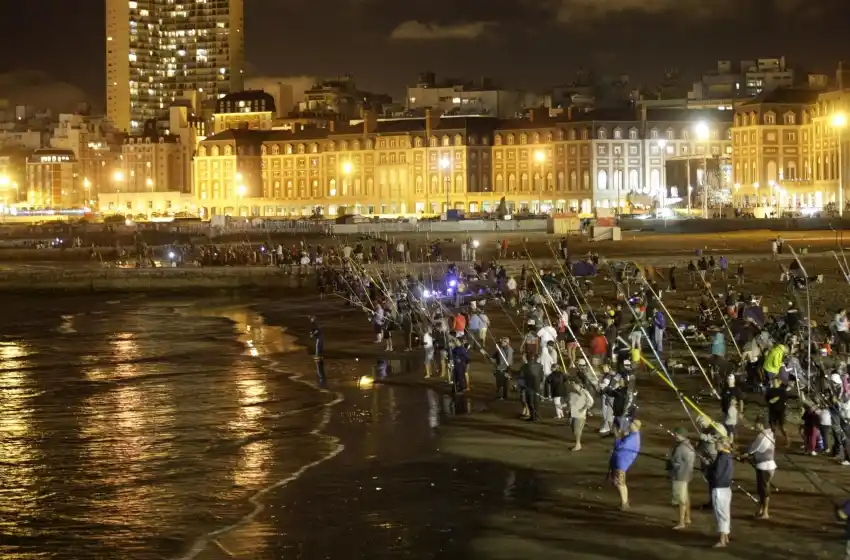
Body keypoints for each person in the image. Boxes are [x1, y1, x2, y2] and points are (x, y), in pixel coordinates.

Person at [741, 418, 777, 520]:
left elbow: (754, 448)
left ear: (761, 424)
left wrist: (745, 454)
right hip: (765, 465)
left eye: (756, 424)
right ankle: (761, 510)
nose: (755, 426)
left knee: (764, 490)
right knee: (761, 490)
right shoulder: (769, 433)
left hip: (765, 466)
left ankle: (765, 512)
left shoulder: (763, 435)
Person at [707, 433, 734, 548]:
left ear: (723, 445)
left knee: (721, 514)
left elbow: (717, 474)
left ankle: (722, 541)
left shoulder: (722, 457)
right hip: (726, 488)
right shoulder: (727, 456)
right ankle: (726, 537)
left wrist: (709, 470)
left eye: (717, 444)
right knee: (725, 513)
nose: (715, 446)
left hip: (720, 489)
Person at [667, 426, 696, 530]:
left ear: (681, 435)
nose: (675, 436)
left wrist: (670, 461)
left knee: (681, 500)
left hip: (679, 476)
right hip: (687, 475)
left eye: (676, 434)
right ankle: (687, 518)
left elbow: (676, 463)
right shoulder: (689, 447)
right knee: (686, 498)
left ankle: (681, 522)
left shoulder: (680, 448)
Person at [609, 420, 642, 510]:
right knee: (620, 482)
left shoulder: (631, 439)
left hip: (622, 462)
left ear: (635, 426)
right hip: (623, 460)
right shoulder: (634, 436)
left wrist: (617, 437)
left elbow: (620, 446)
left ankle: (625, 503)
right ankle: (624, 502)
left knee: (620, 483)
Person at [568, 380, 594, 450]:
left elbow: (591, 401)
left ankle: (578, 445)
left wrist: (584, 408)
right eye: (572, 384)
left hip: (580, 414)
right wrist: (563, 406)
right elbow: (569, 403)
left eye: (574, 384)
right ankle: (578, 441)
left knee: (577, 430)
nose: (573, 386)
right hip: (572, 413)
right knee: (572, 427)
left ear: (579, 384)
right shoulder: (571, 393)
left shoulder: (585, 392)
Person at [765, 378, 791, 445]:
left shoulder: (782, 391)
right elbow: (767, 400)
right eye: (773, 382)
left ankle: (787, 438)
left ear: (779, 382)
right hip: (772, 410)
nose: (774, 383)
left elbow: (784, 400)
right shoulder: (769, 390)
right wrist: (771, 400)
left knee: (782, 426)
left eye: (775, 382)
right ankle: (773, 439)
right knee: (772, 426)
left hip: (780, 410)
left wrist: (774, 400)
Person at [310, 316, 326, 385]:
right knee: (319, 346)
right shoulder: (316, 324)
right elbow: (314, 330)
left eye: (312, 319)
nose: (311, 320)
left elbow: (316, 330)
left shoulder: (316, 324)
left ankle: (318, 357)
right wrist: (312, 333)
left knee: (318, 346)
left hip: (320, 337)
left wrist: (312, 334)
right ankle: (320, 356)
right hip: (320, 336)